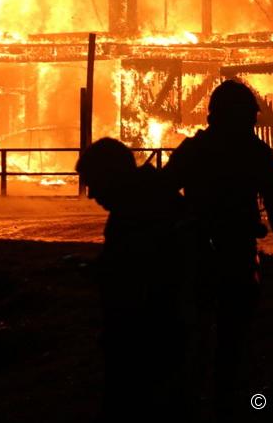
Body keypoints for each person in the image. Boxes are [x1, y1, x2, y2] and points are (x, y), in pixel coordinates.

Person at [161, 79, 273, 417]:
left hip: (198, 254)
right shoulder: (255, 153)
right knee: (232, 334)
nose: (253, 124)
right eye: (250, 117)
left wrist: (185, 218)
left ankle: (191, 401)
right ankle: (223, 400)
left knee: (195, 331)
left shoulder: (194, 150)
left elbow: (163, 190)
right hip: (236, 254)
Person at [76, 137, 187, 422]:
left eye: (93, 183)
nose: (92, 195)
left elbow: (135, 272)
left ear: (110, 176)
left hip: (146, 335)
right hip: (159, 331)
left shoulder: (136, 212)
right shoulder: (149, 199)